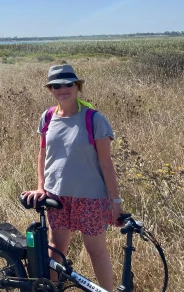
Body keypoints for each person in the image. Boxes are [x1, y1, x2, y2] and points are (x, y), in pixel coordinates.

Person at [22, 64, 123, 291]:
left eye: (68, 83)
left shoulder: (94, 119)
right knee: (56, 248)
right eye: (56, 85)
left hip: (90, 198)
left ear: (78, 86)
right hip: (57, 196)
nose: (63, 88)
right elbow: (42, 155)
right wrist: (40, 187)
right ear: (50, 90)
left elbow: (106, 165)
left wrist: (115, 203)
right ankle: (51, 288)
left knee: (96, 252)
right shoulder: (47, 117)